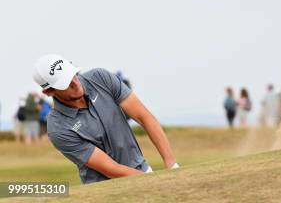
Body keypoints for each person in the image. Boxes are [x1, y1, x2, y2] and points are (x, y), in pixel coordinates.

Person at [32, 54, 179, 184]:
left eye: (73, 75)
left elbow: (144, 117)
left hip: (143, 171)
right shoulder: (58, 128)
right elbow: (111, 169)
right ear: (49, 91)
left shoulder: (100, 78)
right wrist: (153, 181)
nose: (75, 83)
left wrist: (171, 164)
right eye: (66, 84)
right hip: (104, 188)